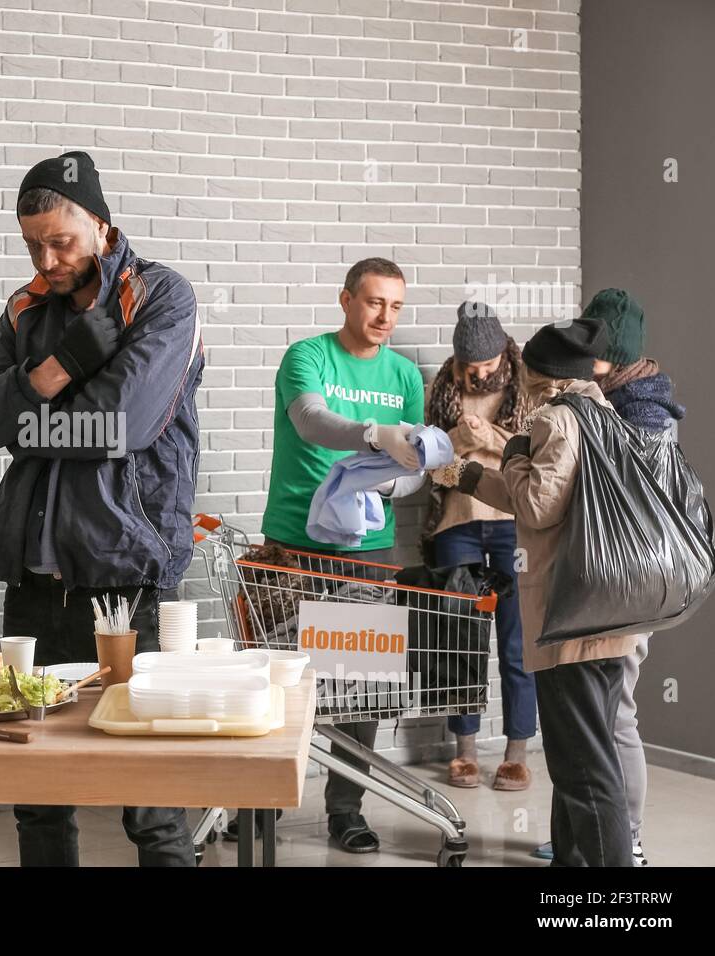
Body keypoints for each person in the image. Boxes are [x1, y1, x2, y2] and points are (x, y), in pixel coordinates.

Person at [0, 151, 203, 866]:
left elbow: (118, 426)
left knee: (150, 798)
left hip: (125, 584)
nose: (47, 257)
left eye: (60, 240)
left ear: (99, 223)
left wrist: (25, 422)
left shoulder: (164, 298)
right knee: (36, 788)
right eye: (32, 243)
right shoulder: (27, 309)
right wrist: (58, 367)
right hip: (33, 587)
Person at [434, 318, 637, 867]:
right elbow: (546, 497)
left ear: (540, 376)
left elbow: (537, 506)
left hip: (568, 618)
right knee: (577, 761)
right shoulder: (605, 415)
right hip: (604, 610)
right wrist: (472, 478)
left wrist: (515, 446)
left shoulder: (555, 419)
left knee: (588, 770)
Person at [260, 257, 426, 854]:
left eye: (396, 306)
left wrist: (385, 483)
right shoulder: (307, 356)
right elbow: (310, 421)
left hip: (367, 551)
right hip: (293, 546)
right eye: (375, 302)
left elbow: (416, 470)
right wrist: (373, 435)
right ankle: (263, 806)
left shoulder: (406, 375)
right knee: (280, 682)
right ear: (346, 300)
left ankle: (346, 810)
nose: (385, 317)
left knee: (359, 685)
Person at [539, 288, 679, 866]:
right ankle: (579, 842)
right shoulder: (634, 400)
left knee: (614, 715)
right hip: (613, 582)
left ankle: (628, 838)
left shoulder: (637, 412)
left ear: (610, 358)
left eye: (591, 347)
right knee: (589, 728)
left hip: (620, 587)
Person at [423, 303, 536, 791]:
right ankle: (464, 751)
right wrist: (454, 442)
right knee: (460, 642)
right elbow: (433, 471)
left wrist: (488, 438)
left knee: (517, 644)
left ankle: (516, 754)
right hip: (457, 525)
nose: (477, 373)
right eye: (469, 366)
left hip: (514, 526)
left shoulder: (527, 387)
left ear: (502, 355)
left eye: (486, 365)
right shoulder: (444, 390)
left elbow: (532, 462)